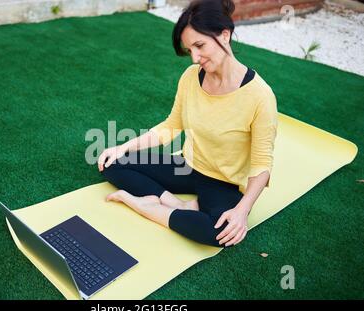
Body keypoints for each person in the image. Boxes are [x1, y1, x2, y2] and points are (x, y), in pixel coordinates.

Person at [97, 0, 278, 247]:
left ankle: (146, 206)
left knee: (222, 233)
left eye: (199, 46)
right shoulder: (191, 77)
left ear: (224, 35)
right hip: (188, 167)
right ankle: (177, 204)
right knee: (111, 162)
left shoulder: (260, 96)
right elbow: (172, 126)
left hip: (223, 183)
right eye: (189, 50)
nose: (194, 57)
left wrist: (242, 211)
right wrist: (124, 147)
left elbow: (261, 165)